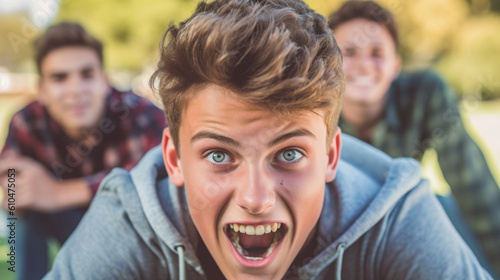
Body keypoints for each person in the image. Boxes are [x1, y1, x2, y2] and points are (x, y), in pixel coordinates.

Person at [44, 0, 492, 279]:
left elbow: (479, 194)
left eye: (290, 154)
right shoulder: (129, 223)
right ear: (175, 159)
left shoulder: (397, 218)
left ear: (331, 154)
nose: (256, 198)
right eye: (219, 154)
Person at [328, 1, 500, 278]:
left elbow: (475, 190)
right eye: (349, 52)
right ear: (328, 65)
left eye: (377, 53)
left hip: (403, 222)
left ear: (396, 65)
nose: (363, 64)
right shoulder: (312, 108)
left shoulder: (425, 94)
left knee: (445, 208)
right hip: (338, 235)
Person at [0, 22, 166, 280]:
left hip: (129, 232)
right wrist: (16, 194)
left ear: (105, 82)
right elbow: (10, 187)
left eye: (87, 75)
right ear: (41, 91)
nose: (75, 90)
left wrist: (57, 193)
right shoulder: (26, 121)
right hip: (66, 223)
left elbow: (162, 182)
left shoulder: (141, 114)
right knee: (22, 214)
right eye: (60, 78)